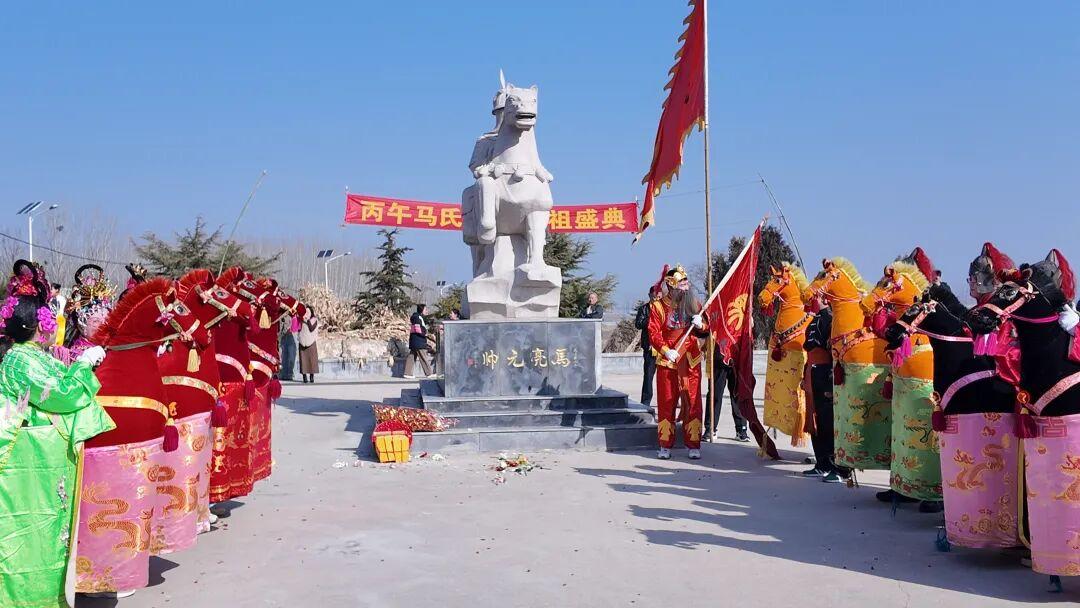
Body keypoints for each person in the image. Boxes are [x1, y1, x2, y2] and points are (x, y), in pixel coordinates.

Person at [0, 260, 113, 608]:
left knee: (50, 531)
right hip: (28, 460)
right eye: (51, 319)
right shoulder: (21, 360)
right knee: (31, 532)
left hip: (44, 458)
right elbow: (62, 394)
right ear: (39, 325)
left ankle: (49, 595)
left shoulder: (35, 355)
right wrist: (84, 363)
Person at [647, 265, 709, 460]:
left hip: (690, 361)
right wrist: (666, 350)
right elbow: (653, 333)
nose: (685, 288)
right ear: (671, 287)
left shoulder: (695, 304)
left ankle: (694, 444)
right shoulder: (658, 307)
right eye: (681, 285)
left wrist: (701, 324)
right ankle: (665, 445)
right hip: (668, 361)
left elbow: (706, 330)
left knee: (693, 402)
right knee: (667, 403)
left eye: (686, 284)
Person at [802, 296, 851, 483]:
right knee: (815, 417)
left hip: (825, 371)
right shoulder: (815, 318)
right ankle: (821, 463)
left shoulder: (832, 318)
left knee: (827, 419)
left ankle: (833, 463)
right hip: (812, 370)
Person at [705, 349, 750, 442]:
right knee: (715, 394)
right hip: (719, 356)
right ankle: (710, 428)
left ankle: (741, 429)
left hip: (737, 357)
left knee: (738, 394)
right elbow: (702, 334)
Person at [634, 287, 660, 407]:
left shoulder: (666, 308)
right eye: (654, 295)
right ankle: (645, 401)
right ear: (650, 295)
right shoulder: (644, 308)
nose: (656, 297)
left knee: (668, 377)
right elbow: (638, 324)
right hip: (650, 347)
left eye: (658, 294)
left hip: (664, 348)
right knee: (648, 375)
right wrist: (651, 319)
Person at [405, 303, 434, 379]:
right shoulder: (418, 317)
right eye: (425, 309)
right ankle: (429, 373)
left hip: (414, 340)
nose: (426, 311)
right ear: (422, 310)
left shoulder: (415, 317)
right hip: (419, 341)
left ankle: (407, 373)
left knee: (411, 357)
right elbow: (418, 329)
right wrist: (425, 334)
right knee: (423, 357)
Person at [299, 305, 320, 383]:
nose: (306, 314)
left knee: (312, 361)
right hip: (302, 342)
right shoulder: (301, 320)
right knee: (303, 361)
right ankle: (304, 377)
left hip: (311, 342)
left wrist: (307, 320)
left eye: (308, 312)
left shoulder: (314, 319)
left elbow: (311, 328)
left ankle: (312, 376)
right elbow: (296, 328)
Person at [279, 312, 298, 381]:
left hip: (290, 335)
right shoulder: (280, 315)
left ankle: (289, 374)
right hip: (282, 336)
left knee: (291, 356)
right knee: (283, 356)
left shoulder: (293, 316)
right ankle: (283, 374)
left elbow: (295, 328)